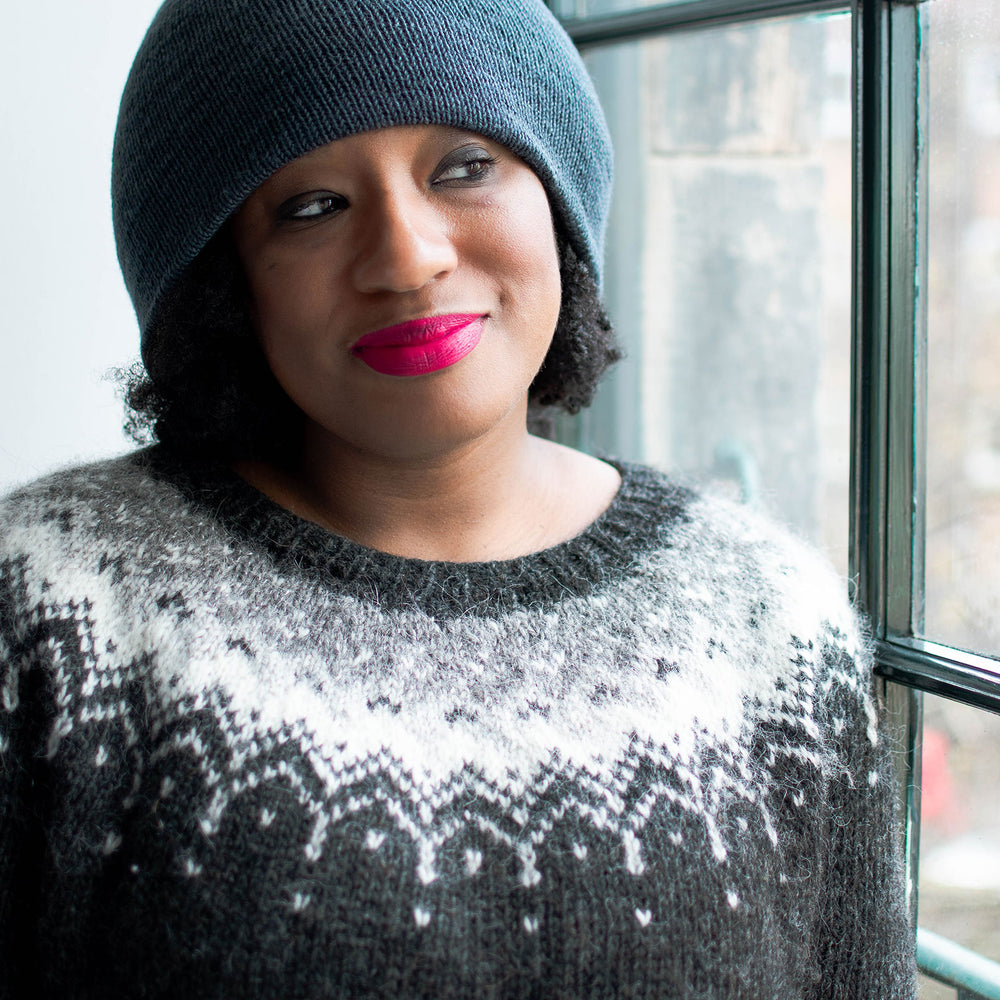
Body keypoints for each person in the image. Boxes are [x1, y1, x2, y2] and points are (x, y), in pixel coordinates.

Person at [0, 0, 917, 997]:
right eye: (310, 206)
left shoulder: (765, 619)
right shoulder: (59, 607)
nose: (406, 256)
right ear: (227, 280)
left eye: (465, 167)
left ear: (558, 199)